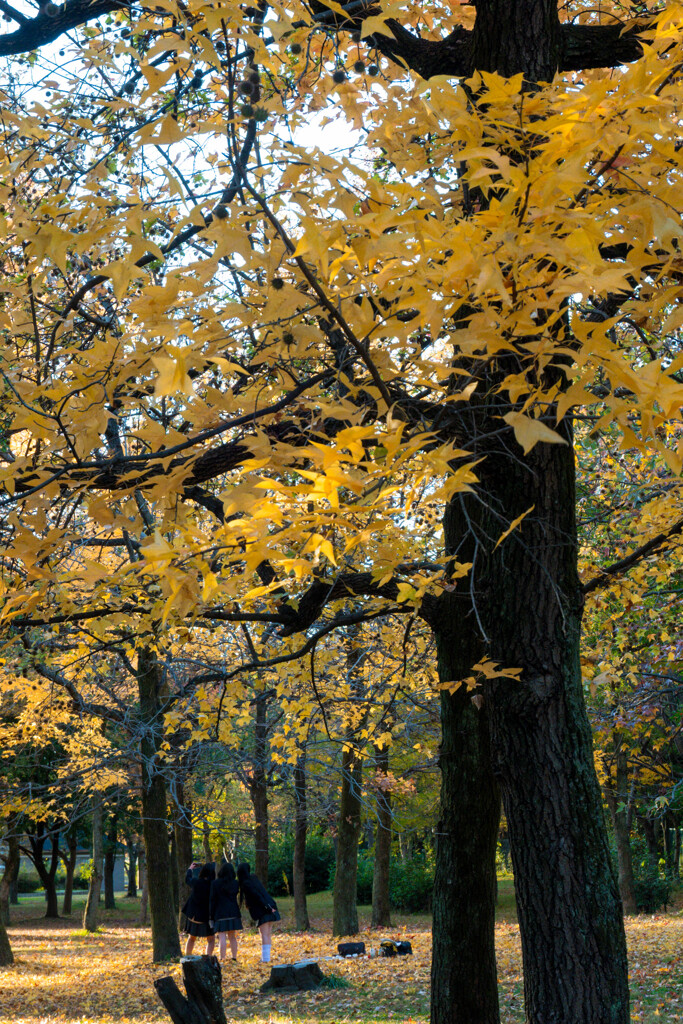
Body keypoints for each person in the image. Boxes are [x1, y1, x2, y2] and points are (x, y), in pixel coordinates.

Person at [237, 861, 280, 964]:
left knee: (265, 934)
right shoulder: (253, 879)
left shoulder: (246, 883)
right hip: (270, 907)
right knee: (267, 933)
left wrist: (267, 907)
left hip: (265, 910)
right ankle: (266, 957)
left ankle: (265, 959)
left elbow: (257, 896)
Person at [209, 861, 242, 962]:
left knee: (222, 936)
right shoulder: (235, 883)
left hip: (220, 913)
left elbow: (212, 900)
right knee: (232, 936)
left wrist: (211, 916)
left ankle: (222, 958)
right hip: (233, 911)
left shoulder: (215, 883)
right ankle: (234, 958)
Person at [182, 862, 215, 956]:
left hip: (194, 915)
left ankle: (188, 957)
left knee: (191, 938)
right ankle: (208, 958)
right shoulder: (213, 885)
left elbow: (187, 879)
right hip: (206, 917)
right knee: (211, 940)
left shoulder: (196, 882)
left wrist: (190, 869)